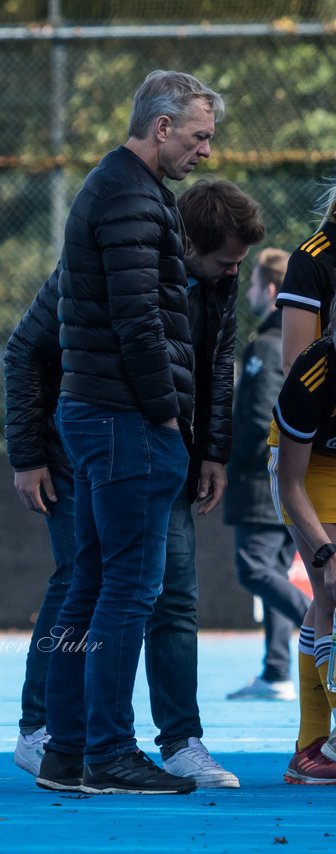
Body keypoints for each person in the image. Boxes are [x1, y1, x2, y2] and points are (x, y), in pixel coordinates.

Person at [7, 178, 262, 789]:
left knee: (170, 595)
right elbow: (24, 352)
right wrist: (28, 455)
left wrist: (212, 452)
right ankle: (52, 732)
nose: (232, 275)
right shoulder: (111, 265)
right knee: (89, 584)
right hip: (90, 449)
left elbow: (215, 366)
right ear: (187, 244)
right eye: (225, 262)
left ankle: (175, 739)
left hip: (157, 444)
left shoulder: (214, 285)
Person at [38, 70, 222, 796]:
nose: (206, 151)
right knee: (127, 590)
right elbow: (139, 321)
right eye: (200, 136)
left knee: (91, 584)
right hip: (126, 419)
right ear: (164, 125)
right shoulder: (131, 198)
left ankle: (68, 750)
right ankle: (108, 750)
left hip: (100, 413)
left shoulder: (119, 190)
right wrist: (169, 415)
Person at [270, 181, 336, 782]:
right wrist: (324, 549)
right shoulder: (316, 257)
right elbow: (298, 364)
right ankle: (319, 744)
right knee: (334, 586)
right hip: (311, 454)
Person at [225, 248, 308, 702]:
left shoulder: (263, 348)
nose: (249, 292)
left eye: (254, 284)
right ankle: (277, 670)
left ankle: (319, 619)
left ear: (272, 291)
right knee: (273, 567)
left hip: (261, 481)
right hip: (282, 479)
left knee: (255, 568)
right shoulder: (295, 345)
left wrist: (227, 464)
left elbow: (260, 420)